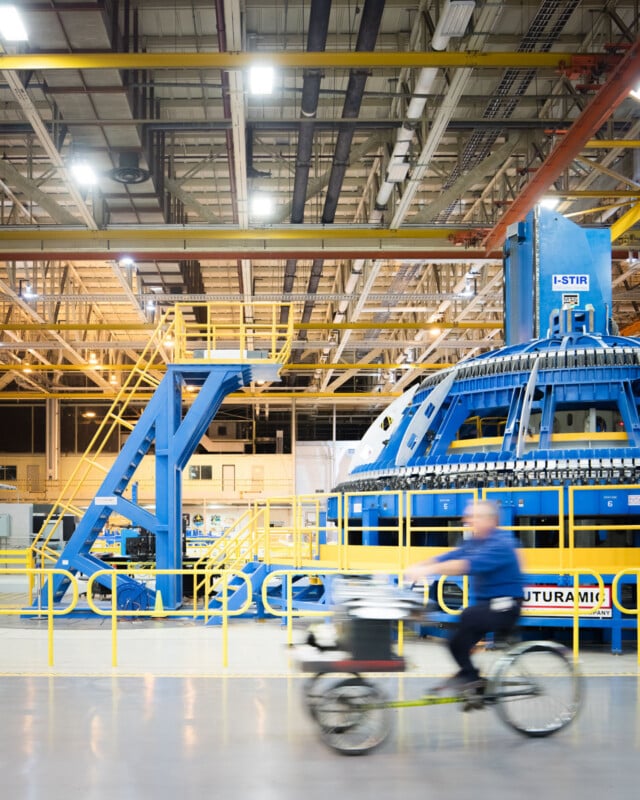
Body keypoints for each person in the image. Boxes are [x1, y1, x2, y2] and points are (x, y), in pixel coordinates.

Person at [405, 499, 524, 692]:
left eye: (474, 516)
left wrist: (429, 570)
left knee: (468, 617)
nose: (466, 520)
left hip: (506, 605)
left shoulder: (500, 543)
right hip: (488, 606)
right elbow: (453, 555)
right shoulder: (474, 542)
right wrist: (422, 564)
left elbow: (465, 565)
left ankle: (471, 678)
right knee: (455, 640)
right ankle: (472, 679)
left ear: (490, 520)